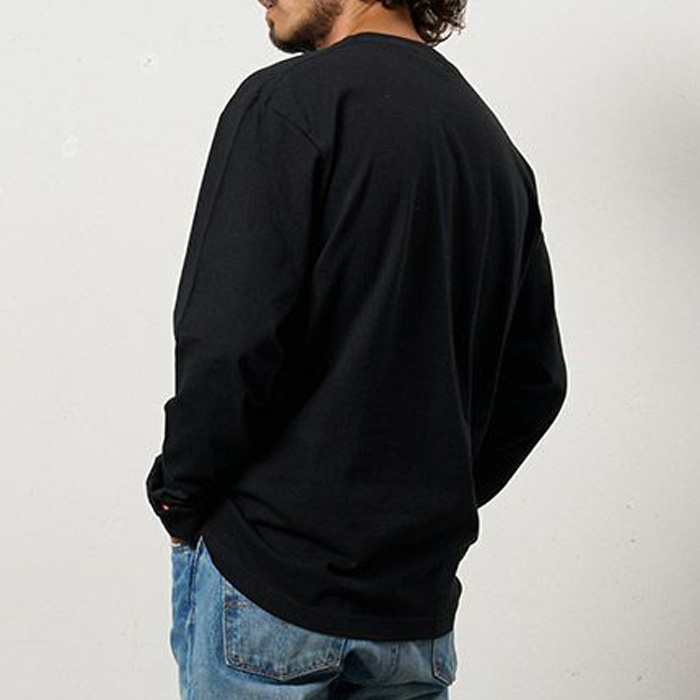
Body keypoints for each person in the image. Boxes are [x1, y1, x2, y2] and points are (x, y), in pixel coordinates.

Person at [145, 0, 568, 697]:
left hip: (268, 590)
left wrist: (179, 500)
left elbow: (224, 347)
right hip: (410, 615)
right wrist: (419, 511)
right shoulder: (491, 147)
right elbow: (537, 384)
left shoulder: (287, 104)